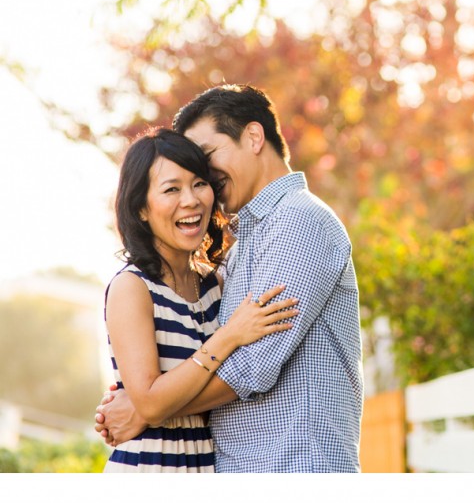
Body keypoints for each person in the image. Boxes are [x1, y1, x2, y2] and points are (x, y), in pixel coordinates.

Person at [97, 84, 364, 472]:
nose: (203, 182)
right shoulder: (240, 249)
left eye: (206, 162)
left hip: (295, 466)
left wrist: (147, 410)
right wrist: (149, 398)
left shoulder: (299, 222)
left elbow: (253, 365)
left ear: (254, 137)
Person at [104, 127, 298, 472]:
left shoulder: (216, 285)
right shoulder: (132, 288)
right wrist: (230, 336)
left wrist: (135, 407)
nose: (191, 200)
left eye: (199, 183)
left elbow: (221, 386)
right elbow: (149, 402)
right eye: (171, 189)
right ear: (142, 209)